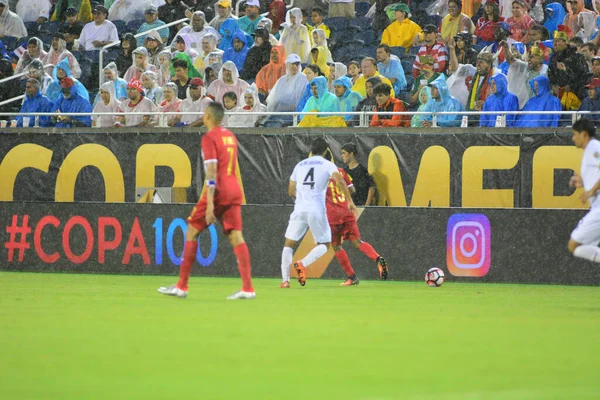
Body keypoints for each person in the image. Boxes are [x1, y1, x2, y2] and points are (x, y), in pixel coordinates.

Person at [159, 102, 255, 299]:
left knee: (193, 230)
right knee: (236, 236)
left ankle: (181, 286)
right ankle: (248, 288)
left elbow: (211, 172)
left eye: (204, 113)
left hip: (218, 190)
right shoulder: (230, 136)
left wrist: (210, 203)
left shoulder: (209, 138)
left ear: (208, 116)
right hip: (233, 188)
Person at [279, 137, 356, 288]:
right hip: (317, 209)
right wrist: (350, 201)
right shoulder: (328, 164)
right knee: (325, 244)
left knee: (289, 244)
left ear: (311, 150)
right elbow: (340, 181)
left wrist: (303, 199)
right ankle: (303, 263)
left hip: (300, 209)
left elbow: (290, 191)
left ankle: (285, 281)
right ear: (326, 151)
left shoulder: (299, 165)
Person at [325, 154, 389, 285]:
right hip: (346, 211)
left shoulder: (321, 175)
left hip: (332, 214)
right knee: (358, 242)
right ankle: (378, 258)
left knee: (336, 245)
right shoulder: (341, 171)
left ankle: (351, 276)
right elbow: (352, 189)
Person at [566, 118, 600, 263]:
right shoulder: (590, 150)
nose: (573, 138)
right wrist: (582, 182)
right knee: (578, 246)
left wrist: (591, 190)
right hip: (596, 207)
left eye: (575, 134)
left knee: (574, 244)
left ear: (584, 134)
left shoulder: (593, 147)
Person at [549, 25, 589, 104]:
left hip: (575, 97)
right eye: (554, 41)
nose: (555, 44)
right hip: (557, 97)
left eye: (557, 41)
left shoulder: (577, 57)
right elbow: (550, 75)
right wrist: (553, 86)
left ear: (565, 42)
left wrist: (571, 86)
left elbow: (584, 77)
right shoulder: (554, 58)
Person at [505, 41, 548, 109]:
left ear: (539, 59)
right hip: (528, 105)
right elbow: (510, 61)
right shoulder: (526, 67)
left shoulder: (546, 70)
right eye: (529, 57)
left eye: (532, 57)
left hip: (542, 105)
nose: (528, 59)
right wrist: (506, 48)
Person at [341, 142, 375, 207]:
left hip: (360, 207)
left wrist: (366, 206)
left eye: (344, 153)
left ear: (351, 154)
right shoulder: (344, 171)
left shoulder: (362, 170)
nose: (342, 156)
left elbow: (371, 187)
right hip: (349, 208)